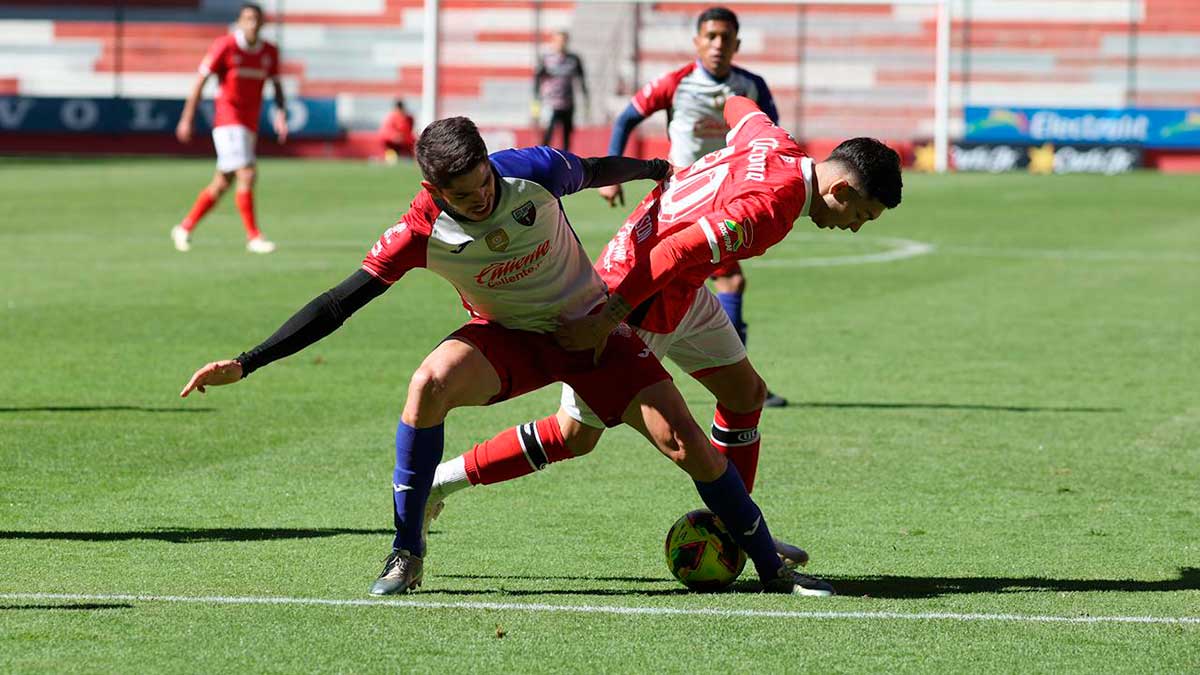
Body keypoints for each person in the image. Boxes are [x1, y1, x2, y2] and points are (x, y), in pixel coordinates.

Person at [178, 116, 834, 598]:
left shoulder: (529, 169)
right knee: (428, 383)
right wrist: (249, 360)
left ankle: (773, 570)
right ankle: (407, 551)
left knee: (685, 440)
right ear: (433, 189)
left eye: (482, 183)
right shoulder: (418, 231)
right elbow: (338, 303)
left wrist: (650, 172)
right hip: (509, 339)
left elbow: (591, 168)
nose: (480, 200)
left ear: (489, 163)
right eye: (462, 196)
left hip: (590, 328)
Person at [428, 97, 903, 576]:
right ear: (840, 188)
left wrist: (694, 159)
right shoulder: (771, 207)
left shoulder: (775, 142)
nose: (855, 227)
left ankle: (737, 523)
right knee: (574, 436)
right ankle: (439, 483)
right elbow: (675, 249)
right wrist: (604, 319)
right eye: (862, 214)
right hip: (638, 295)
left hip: (680, 289)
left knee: (744, 392)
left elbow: (738, 105)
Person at [597, 6, 788, 405]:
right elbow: (626, 118)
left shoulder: (752, 86)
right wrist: (614, 174)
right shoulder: (676, 83)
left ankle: (654, 366)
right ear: (697, 42)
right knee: (721, 281)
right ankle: (732, 380)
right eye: (711, 37)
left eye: (725, 37)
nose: (718, 45)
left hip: (727, 197)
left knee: (694, 283)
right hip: (685, 197)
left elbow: (770, 132)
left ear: (737, 43)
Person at [172, 2, 287, 255]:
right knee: (247, 173)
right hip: (227, 119)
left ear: (263, 23)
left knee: (223, 182)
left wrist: (280, 113)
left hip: (249, 123)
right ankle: (253, 236)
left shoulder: (269, 51)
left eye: (256, 19)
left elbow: (277, 85)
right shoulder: (225, 46)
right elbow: (200, 81)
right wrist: (187, 117)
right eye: (247, 19)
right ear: (239, 21)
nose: (252, 23)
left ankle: (184, 227)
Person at [533, 30, 589, 152]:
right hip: (550, 104)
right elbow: (537, 81)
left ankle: (566, 164)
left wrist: (586, 102)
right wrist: (535, 106)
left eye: (563, 41)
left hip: (568, 103)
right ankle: (543, 161)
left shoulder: (574, 59)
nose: (561, 44)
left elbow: (582, 80)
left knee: (567, 137)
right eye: (558, 41)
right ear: (553, 42)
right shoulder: (545, 59)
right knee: (547, 136)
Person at [379, 99, 416, 163]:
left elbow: (409, 132)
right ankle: (392, 157)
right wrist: (393, 136)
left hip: (405, 142)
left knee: (413, 144)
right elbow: (385, 132)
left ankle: (408, 158)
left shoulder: (408, 118)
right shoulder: (391, 117)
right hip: (392, 143)